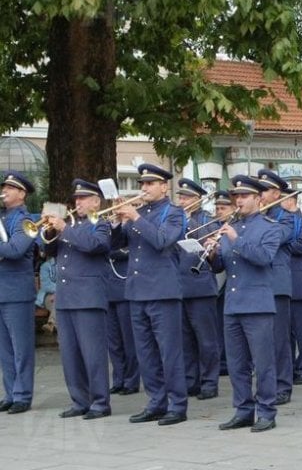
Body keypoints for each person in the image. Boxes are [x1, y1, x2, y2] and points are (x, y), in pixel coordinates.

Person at [112, 163, 188, 426]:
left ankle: (178, 404)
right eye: (142, 184)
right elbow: (116, 246)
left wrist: (134, 218)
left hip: (163, 291)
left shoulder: (174, 213)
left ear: (164, 186)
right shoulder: (139, 213)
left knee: (169, 352)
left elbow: (162, 241)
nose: (143, 188)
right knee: (145, 352)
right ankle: (156, 402)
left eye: (149, 184)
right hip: (136, 291)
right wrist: (115, 224)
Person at [211, 175, 280, 433]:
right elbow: (224, 266)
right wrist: (212, 255)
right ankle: (243, 410)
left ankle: (266, 411)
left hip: (258, 304)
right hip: (232, 304)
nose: (238, 200)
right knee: (237, 364)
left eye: (244, 196)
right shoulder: (232, 226)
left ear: (258, 199)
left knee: (263, 363)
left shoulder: (270, 227)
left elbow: (264, 258)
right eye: (236, 197)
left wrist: (235, 240)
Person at [44, 179, 112, 419]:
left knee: (93, 354)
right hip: (66, 298)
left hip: (88, 297)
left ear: (96, 201)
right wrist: (50, 231)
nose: (78, 202)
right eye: (76, 199)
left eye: (83, 198)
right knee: (70, 355)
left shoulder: (101, 224)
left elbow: (95, 245)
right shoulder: (69, 224)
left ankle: (100, 402)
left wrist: (64, 229)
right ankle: (79, 400)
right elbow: (47, 251)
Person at [176, 178, 220, 400]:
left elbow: (212, 244)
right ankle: (190, 380)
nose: (181, 201)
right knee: (185, 340)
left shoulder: (207, 220)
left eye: (186, 197)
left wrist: (188, 223)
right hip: (179, 287)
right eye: (180, 197)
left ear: (198, 199)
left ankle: (210, 382)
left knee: (206, 339)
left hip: (201, 286)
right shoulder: (175, 219)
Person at [257, 169, 295, 405]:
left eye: (265, 191)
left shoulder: (286, 216)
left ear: (276, 193)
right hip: (257, 284)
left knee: (279, 340)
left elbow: (277, 236)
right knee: (261, 340)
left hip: (278, 284)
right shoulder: (254, 215)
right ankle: (265, 385)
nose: (260, 195)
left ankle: (283, 385)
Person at [0, 171, 36, 414]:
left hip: (17, 292)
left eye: (10, 188)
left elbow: (14, 250)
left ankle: (23, 395)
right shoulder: (3, 217)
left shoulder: (25, 220)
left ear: (22, 193)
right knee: (5, 349)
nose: (4, 191)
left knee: (21, 348)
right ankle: (11, 392)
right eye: (3, 187)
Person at [280, 189, 302, 386]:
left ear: (291, 200)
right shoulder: (276, 221)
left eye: (282, 200)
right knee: (284, 332)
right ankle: (289, 368)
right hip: (280, 282)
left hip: (298, 281)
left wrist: (280, 242)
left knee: (301, 331)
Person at [105, 247, 140, 395]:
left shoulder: (126, 228)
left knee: (128, 340)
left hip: (123, 287)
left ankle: (131, 381)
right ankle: (119, 379)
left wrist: (104, 250)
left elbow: (127, 251)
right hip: (107, 288)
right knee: (113, 342)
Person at [213, 190, 235, 377]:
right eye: (217, 208)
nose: (219, 211)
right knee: (220, 325)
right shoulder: (214, 226)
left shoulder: (235, 227)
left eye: (223, 208)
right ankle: (222, 361)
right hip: (219, 284)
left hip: (234, 282)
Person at [36, 251, 57, 334]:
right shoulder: (45, 266)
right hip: (48, 296)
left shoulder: (71, 265)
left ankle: (52, 324)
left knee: (60, 300)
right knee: (60, 301)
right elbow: (46, 286)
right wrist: (61, 291)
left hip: (65, 296)